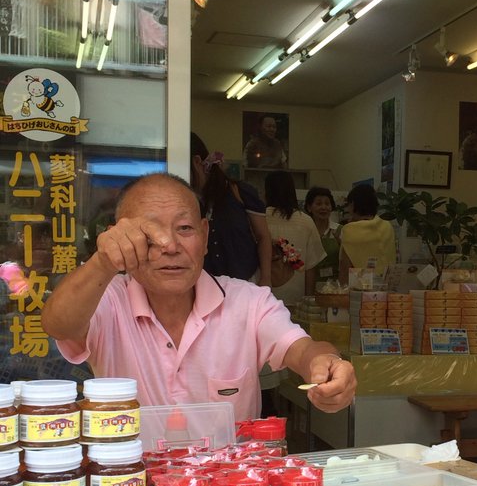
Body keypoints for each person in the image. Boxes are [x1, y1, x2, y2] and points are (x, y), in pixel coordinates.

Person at [40, 172, 356, 424]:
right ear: (120, 238)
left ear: (204, 236)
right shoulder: (107, 301)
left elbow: (302, 349)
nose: (170, 245)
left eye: (185, 228)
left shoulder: (249, 302)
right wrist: (103, 261)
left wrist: (325, 364)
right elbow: (59, 325)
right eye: (151, 234)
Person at [190, 133, 272, 285]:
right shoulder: (184, 200)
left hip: (246, 282)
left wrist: (266, 279)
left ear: (196, 162)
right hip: (204, 286)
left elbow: (263, 237)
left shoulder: (239, 192)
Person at [263, 171, 326, 305]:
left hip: (263, 300)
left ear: (267, 191)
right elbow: (310, 268)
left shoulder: (259, 219)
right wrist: (308, 300)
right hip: (296, 301)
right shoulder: (306, 221)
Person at [338, 183, 396, 279]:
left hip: (360, 286)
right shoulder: (387, 226)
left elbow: (345, 268)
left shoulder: (349, 230)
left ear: (352, 204)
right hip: (387, 284)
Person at [304, 186, 341, 282]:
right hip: (309, 283)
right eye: (319, 203)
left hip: (334, 285)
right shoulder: (305, 230)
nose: (323, 207)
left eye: (327, 204)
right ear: (309, 207)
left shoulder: (339, 230)